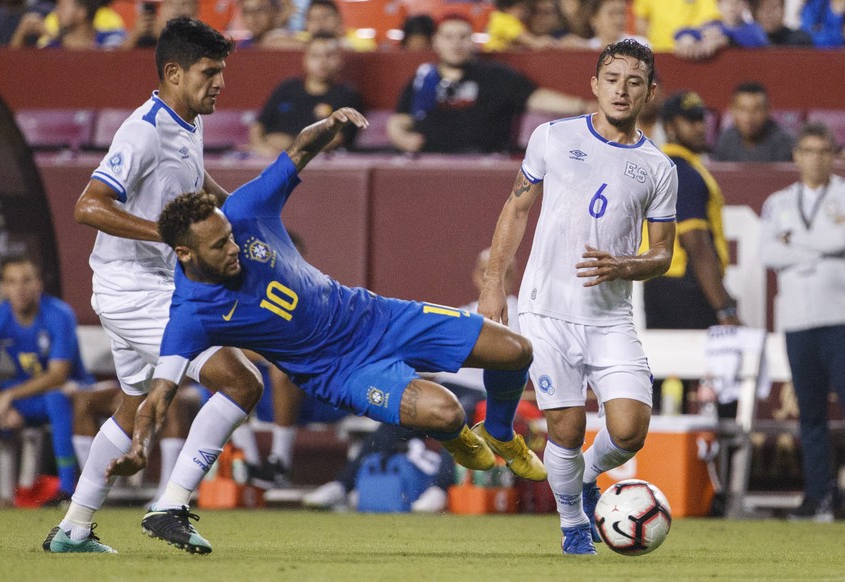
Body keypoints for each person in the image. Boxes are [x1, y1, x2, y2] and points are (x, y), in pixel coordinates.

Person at [106, 108, 548, 551]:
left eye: (230, 235)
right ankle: (460, 440)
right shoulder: (190, 315)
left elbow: (298, 149)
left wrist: (331, 126)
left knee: (516, 350)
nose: (234, 245)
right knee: (446, 412)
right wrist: (139, 445)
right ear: (184, 254)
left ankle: (501, 432)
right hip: (340, 372)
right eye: (220, 245)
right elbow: (159, 395)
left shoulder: (243, 211)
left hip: (377, 316)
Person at [42, 17, 265, 555]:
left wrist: (244, 217)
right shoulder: (142, 129)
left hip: (155, 284)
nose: (220, 83)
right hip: (133, 288)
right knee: (241, 383)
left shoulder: (188, 121)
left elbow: (198, 185)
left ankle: (72, 529)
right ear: (173, 72)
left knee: (130, 407)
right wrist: (170, 236)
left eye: (222, 73)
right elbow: (88, 205)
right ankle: (172, 504)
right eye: (210, 72)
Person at [478, 39, 677, 554]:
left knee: (630, 430)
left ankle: (587, 475)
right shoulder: (552, 136)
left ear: (650, 92)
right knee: (564, 429)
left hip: (610, 318)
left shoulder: (659, 168)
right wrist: (494, 283)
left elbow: (662, 256)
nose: (621, 90)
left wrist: (625, 264)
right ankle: (572, 525)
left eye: (634, 82)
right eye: (612, 79)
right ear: (594, 84)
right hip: (546, 312)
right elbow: (516, 209)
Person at [303, 247, 521, 510]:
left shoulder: (521, 314)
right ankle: (343, 484)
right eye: (485, 273)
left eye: (501, 273)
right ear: (476, 276)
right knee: (396, 414)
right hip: (445, 386)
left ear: (512, 275)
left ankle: (440, 489)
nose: (492, 279)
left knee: (459, 415)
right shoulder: (462, 312)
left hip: (484, 394)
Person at [759, 122, 845, 522]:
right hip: (797, 321)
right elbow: (768, 254)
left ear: (833, 155)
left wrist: (796, 244)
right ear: (796, 156)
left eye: (823, 150)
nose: (816, 158)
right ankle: (819, 497)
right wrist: (824, 249)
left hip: (840, 318)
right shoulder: (778, 202)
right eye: (809, 150)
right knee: (810, 414)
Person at [0, 256, 92, 506]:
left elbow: (58, 375)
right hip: (26, 395)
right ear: (3, 288)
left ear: (39, 284)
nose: (19, 288)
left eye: (26, 280)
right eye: (11, 282)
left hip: (70, 390)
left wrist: (8, 397)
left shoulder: (59, 314)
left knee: (56, 396)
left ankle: (67, 489)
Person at [386, 14, 589, 155]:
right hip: (429, 163)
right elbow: (401, 120)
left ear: (473, 41)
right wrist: (399, 136)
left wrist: (585, 106)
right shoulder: (422, 79)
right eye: (448, 37)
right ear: (436, 41)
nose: (456, 43)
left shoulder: (497, 75)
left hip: (483, 163)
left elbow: (538, 98)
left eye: (463, 37)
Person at [643, 91, 740, 331]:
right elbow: (696, 243)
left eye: (701, 119)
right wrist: (724, 308)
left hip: (662, 284)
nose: (700, 127)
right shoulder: (682, 172)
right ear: (670, 127)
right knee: (694, 366)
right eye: (690, 120)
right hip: (685, 287)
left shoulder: (666, 165)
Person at [248, 32, 362, 157]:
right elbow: (258, 125)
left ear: (339, 60)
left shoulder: (347, 94)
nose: (322, 61)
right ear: (305, 59)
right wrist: (260, 148)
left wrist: (291, 146)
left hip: (316, 160)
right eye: (315, 56)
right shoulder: (286, 88)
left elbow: (338, 138)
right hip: (268, 157)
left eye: (329, 55)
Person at [713, 81, 795, 162]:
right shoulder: (726, 139)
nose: (749, 117)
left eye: (756, 110)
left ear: (768, 110)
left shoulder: (784, 143)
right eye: (743, 109)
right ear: (732, 110)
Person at [674, 0, 769, 60]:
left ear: (746, 5)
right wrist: (686, 38)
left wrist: (725, 40)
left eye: (738, 2)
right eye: (727, 1)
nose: (732, 5)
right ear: (718, 5)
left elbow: (758, 40)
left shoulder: (753, 28)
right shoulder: (712, 27)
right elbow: (682, 32)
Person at [10, 0, 125, 49]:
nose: (56, 12)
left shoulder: (112, 37)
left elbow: (105, 60)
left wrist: (50, 34)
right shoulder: (52, 47)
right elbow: (15, 68)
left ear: (81, 13)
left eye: (62, 7)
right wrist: (20, 33)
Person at [633, 0, 720, 52]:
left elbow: (710, 21)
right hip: (657, 54)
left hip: (691, 54)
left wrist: (693, 39)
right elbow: (642, 22)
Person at [483, 0, 558, 52]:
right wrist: (547, 42)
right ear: (507, 8)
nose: (524, 13)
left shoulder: (509, 20)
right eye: (521, 8)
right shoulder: (503, 20)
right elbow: (531, 42)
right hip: (496, 59)